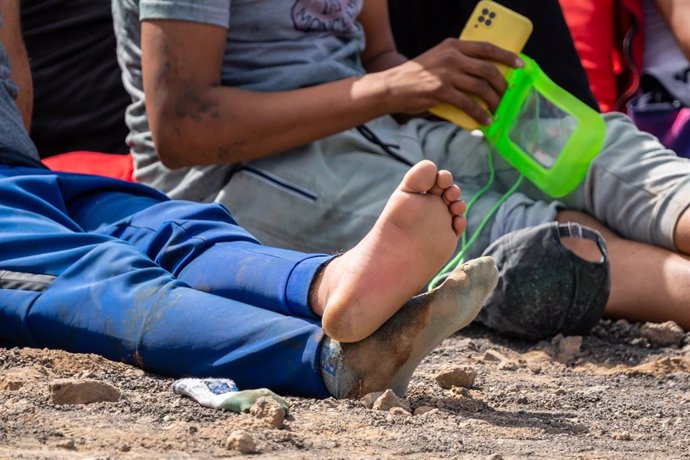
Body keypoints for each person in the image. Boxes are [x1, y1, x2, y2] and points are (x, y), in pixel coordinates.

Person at [0, 0, 500, 399]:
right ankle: (329, 355)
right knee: (93, 271)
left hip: (25, 171)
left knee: (182, 228)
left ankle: (331, 283)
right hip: (243, 163)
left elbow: (12, 80)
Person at [111, 0, 690, 330]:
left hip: (378, 127)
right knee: (539, 240)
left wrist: (451, 84)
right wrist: (392, 86)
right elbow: (183, 128)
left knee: (591, 143)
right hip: (243, 178)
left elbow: (376, 57)